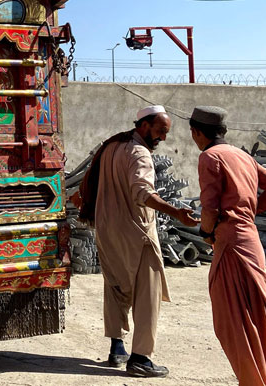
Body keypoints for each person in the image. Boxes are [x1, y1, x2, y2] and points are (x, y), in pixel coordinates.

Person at [94, 104, 199, 377]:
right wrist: (175, 211)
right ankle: (141, 357)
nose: (163, 138)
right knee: (147, 294)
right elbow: (142, 192)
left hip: (107, 229)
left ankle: (117, 347)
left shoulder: (112, 146)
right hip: (136, 232)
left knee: (115, 286)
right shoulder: (139, 153)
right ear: (144, 126)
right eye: (160, 131)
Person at [190, 106, 266, 386]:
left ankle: (252, 380)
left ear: (196, 132)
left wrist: (206, 232)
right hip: (251, 242)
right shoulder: (243, 156)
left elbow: (209, 210)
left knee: (233, 323)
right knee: (259, 315)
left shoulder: (209, 157)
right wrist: (253, 211)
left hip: (230, 245)